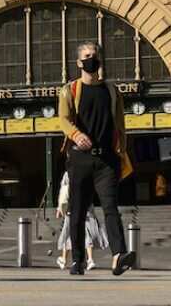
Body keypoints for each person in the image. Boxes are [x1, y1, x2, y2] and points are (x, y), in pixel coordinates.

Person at [57, 41, 135, 276]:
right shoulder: (69, 90)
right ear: (79, 62)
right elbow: (62, 119)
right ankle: (78, 260)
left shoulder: (112, 91)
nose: (92, 59)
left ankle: (118, 255)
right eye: (87, 56)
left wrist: (121, 150)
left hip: (106, 161)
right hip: (80, 159)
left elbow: (120, 124)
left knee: (111, 207)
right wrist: (76, 134)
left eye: (95, 55)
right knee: (78, 211)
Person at [54, 171, 107, 271]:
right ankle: (90, 259)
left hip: (72, 207)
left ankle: (64, 260)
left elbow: (64, 192)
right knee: (86, 234)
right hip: (86, 207)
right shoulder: (87, 172)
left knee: (69, 233)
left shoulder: (69, 173)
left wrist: (60, 208)